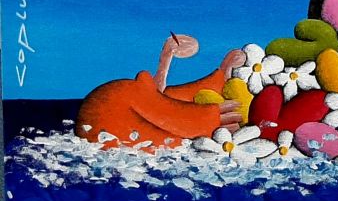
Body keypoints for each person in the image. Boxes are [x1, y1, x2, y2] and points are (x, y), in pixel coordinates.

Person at [75, 34, 245, 150]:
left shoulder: (135, 95)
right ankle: (218, 82)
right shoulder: (126, 96)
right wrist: (208, 118)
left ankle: (218, 81)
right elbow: (162, 109)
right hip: (121, 129)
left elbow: (161, 102)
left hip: (133, 126)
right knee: (157, 102)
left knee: (164, 99)